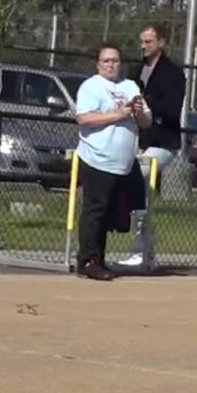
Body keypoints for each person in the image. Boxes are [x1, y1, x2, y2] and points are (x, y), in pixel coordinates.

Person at [74, 42, 153, 281]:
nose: (111, 65)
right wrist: (118, 114)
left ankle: (98, 259)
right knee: (95, 211)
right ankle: (88, 260)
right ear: (98, 64)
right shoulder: (91, 86)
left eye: (115, 61)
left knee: (109, 214)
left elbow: (146, 122)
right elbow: (84, 118)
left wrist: (137, 111)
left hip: (123, 164)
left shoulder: (130, 87)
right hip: (97, 159)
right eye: (106, 61)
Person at [117, 24, 187, 269]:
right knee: (140, 193)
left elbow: (172, 109)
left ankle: (142, 250)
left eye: (148, 42)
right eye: (142, 41)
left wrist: (147, 104)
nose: (143, 46)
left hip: (163, 143)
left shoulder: (173, 74)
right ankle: (147, 251)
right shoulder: (137, 71)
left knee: (139, 179)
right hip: (138, 140)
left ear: (161, 42)